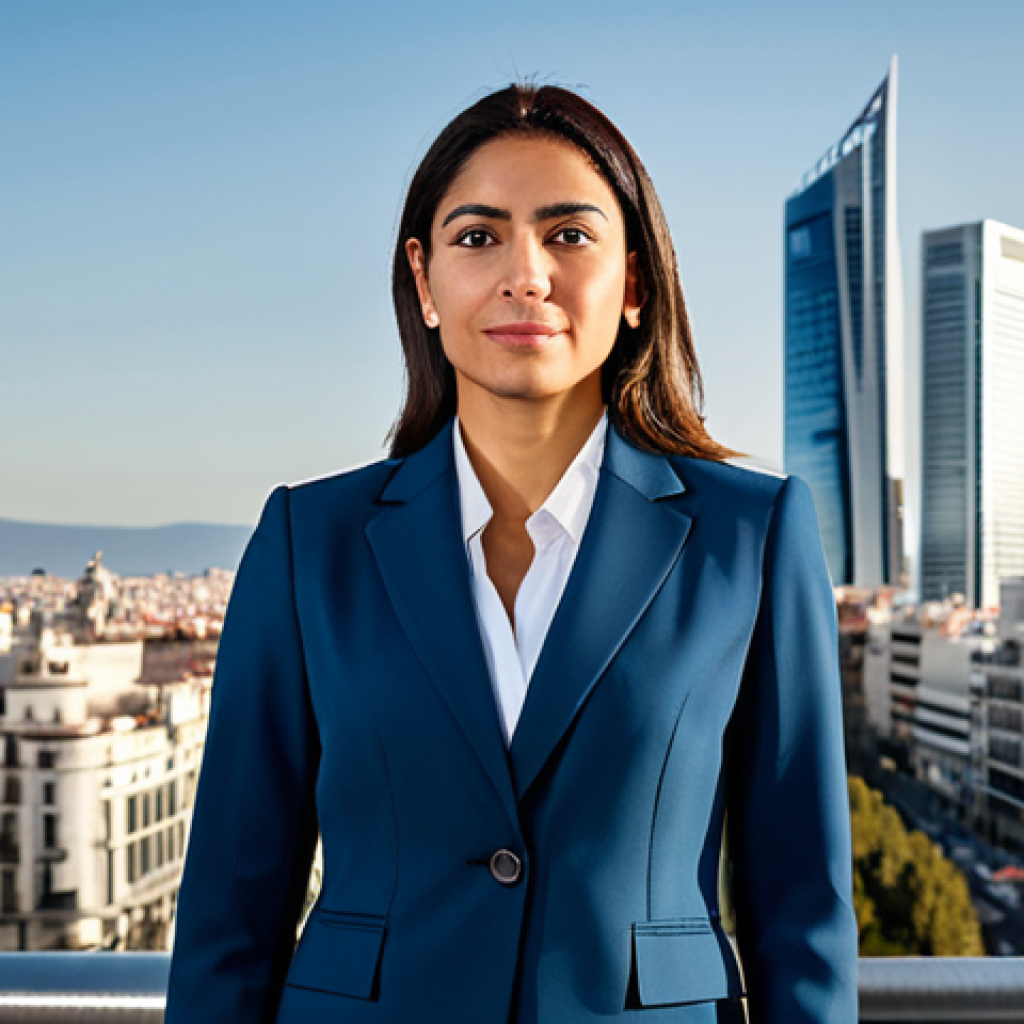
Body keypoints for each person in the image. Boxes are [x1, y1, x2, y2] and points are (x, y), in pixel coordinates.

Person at [164, 83, 858, 1024]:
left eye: (569, 236)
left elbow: (802, 913)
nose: (524, 274)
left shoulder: (754, 535)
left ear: (637, 285)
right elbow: (229, 918)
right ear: (424, 280)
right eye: (478, 236)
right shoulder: (305, 542)